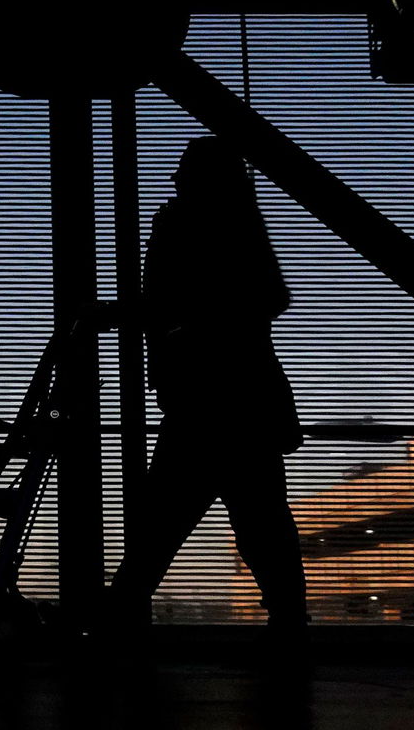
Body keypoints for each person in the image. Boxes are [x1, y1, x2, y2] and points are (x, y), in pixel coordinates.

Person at [109, 136, 308, 637]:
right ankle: (289, 622)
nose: (175, 182)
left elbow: (165, 301)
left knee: (167, 519)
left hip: (205, 399)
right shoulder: (237, 223)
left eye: (184, 175)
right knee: (256, 520)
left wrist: (176, 323)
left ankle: (113, 615)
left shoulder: (184, 224)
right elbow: (267, 298)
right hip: (244, 401)